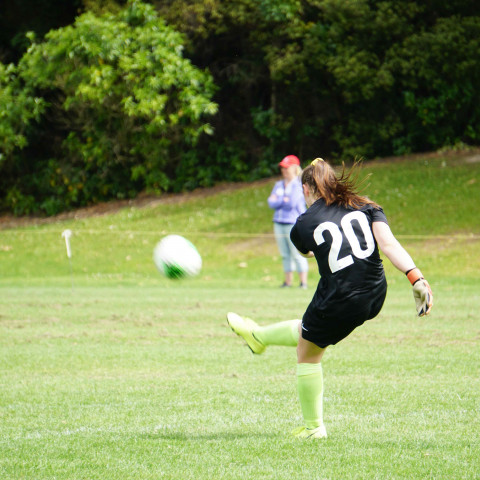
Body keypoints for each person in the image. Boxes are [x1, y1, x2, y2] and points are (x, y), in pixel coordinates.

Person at [227, 157, 433, 439]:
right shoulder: (367, 205)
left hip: (340, 297)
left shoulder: (303, 224)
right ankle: (258, 336)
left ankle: (314, 429)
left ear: (308, 188)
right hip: (375, 292)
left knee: (308, 354)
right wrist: (416, 277)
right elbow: (388, 244)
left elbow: (308, 252)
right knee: (309, 333)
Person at [268, 154, 309, 288]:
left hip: (293, 223)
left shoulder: (298, 185)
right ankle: (288, 282)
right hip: (278, 222)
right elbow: (271, 203)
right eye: (283, 168)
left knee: (297, 253)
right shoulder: (279, 184)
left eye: (287, 168)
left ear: (294, 168)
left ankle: (303, 282)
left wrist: (279, 200)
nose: (284, 170)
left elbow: (291, 203)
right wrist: (282, 200)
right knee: (285, 254)